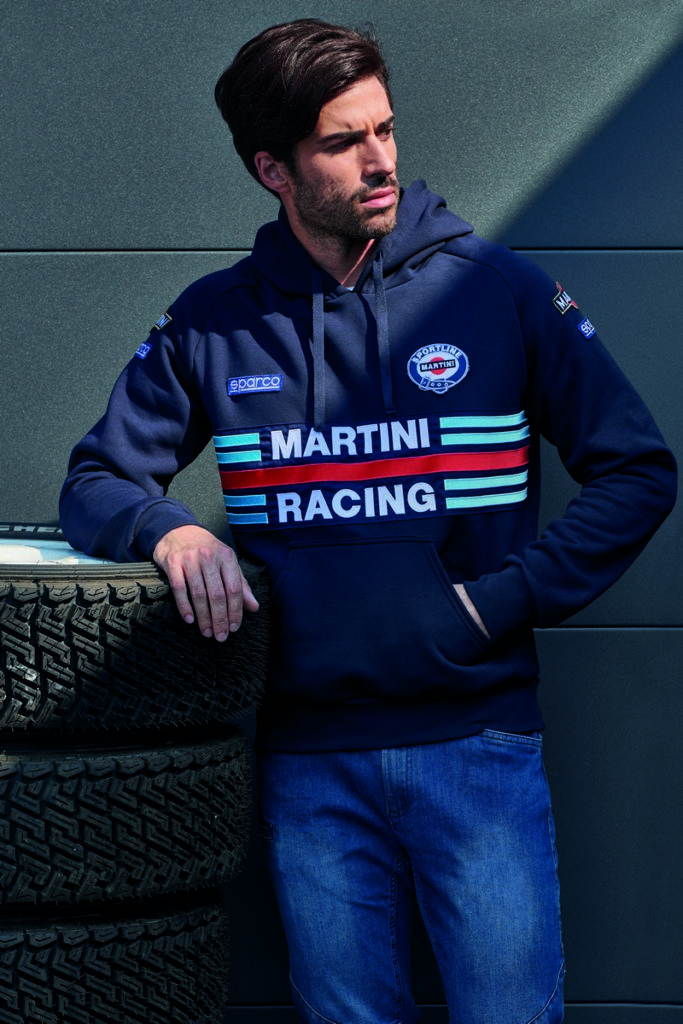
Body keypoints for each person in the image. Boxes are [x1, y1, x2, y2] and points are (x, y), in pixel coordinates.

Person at [60, 18, 677, 1024]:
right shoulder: (215, 320)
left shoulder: (499, 291)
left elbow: (636, 470)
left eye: (384, 128)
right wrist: (170, 531)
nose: (379, 160)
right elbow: (97, 475)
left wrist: (497, 602)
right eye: (342, 143)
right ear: (273, 169)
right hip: (308, 763)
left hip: (477, 744)